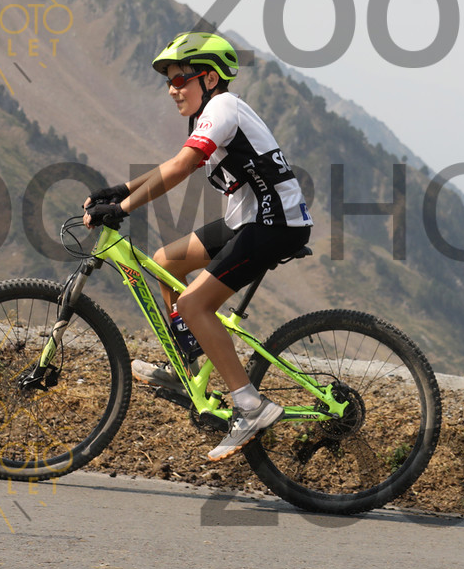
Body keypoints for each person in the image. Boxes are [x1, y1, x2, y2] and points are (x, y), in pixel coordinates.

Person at [82, 30, 314, 461]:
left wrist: (123, 208)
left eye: (179, 79)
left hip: (275, 224)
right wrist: (119, 191)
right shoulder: (209, 112)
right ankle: (185, 366)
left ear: (209, 79)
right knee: (165, 261)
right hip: (249, 220)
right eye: (168, 81)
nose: (172, 89)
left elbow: (184, 166)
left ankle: (250, 405)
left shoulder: (223, 107)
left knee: (193, 305)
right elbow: (175, 162)